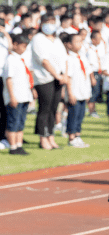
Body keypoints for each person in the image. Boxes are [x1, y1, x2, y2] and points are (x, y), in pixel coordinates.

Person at [30, 14, 67, 149]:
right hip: (44, 78)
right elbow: (44, 60)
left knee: (54, 108)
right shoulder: (38, 39)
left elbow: (64, 58)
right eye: (47, 22)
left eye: (52, 21)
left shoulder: (56, 40)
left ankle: (51, 135)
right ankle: (43, 137)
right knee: (44, 108)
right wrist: (56, 75)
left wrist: (64, 75)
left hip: (58, 79)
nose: (50, 24)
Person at [3, 32, 33, 155]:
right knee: (13, 122)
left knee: (20, 122)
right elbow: (9, 79)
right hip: (15, 97)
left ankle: (19, 145)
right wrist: (12, 96)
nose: (24, 49)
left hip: (24, 96)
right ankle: (13, 146)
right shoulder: (10, 60)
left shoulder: (21, 59)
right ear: (15, 45)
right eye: (23, 46)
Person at [62, 32, 92, 148]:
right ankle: (71, 137)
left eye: (81, 41)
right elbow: (68, 77)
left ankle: (78, 135)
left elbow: (87, 76)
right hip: (74, 92)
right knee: (73, 115)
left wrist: (88, 92)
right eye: (77, 42)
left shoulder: (83, 57)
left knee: (81, 115)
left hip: (83, 91)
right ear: (69, 44)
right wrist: (70, 93)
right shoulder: (68, 59)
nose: (80, 44)